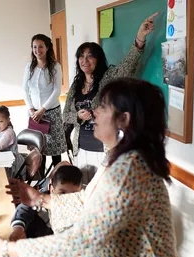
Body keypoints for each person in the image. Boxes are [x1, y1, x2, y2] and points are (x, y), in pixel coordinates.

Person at [0, 78, 179, 257]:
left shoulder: (129, 170)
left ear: (124, 120)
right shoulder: (120, 158)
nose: (95, 111)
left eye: (103, 107)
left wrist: (7, 249)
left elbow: (82, 242)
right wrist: (40, 199)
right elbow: (89, 201)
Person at [63, 12, 159, 170]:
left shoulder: (109, 77)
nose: (84, 60)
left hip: (104, 149)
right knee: (84, 191)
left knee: (102, 192)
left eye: (90, 56)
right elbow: (66, 115)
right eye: (81, 56)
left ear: (98, 59)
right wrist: (78, 116)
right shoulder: (75, 85)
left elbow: (128, 65)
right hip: (80, 148)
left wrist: (140, 37)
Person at [22, 34, 67, 176]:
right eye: (34, 47)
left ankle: (57, 180)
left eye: (41, 46)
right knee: (38, 150)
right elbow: (25, 89)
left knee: (54, 151)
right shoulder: (29, 66)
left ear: (47, 48)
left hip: (51, 113)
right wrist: (31, 109)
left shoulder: (55, 66)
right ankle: (40, 182)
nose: (37, 50)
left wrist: (43, 109)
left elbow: (56, 91)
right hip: (34, 114)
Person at [9, 162, 83, 241]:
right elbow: (24, 210)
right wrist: (18, 228)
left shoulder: (81, 204)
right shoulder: (41, 198)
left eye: (72, 195)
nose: (65, 199)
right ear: (51, 188)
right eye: (62, 193)